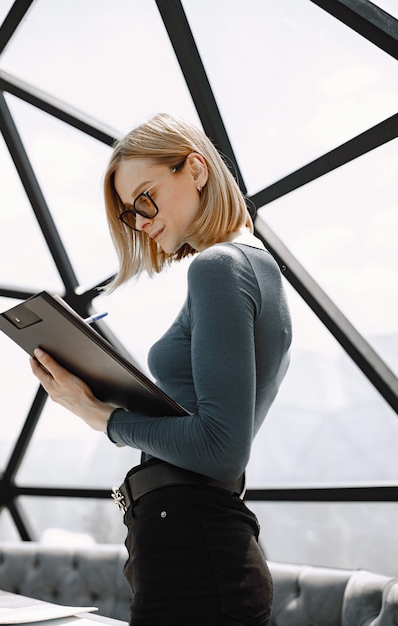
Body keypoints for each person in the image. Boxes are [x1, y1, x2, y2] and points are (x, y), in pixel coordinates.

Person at [30, 113, 292, 626]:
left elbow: (220, 449)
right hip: (199, 549)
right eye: (130, 214)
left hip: (193, 554)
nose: (142, 220)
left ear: (195, 169)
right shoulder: (254, 265)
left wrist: (100, 415)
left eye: (145, 196)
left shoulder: (218, 268)